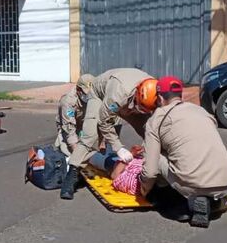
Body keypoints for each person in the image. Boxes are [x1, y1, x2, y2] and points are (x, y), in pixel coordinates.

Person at [139, 76, 227, 228]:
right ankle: (216, 201)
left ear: (159, 98)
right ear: (181, 95)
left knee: (156, 157)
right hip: (225, 182)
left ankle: (182, 199)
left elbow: (150, 171)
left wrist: (144, 190)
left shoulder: (157, 119)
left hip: (191, 184)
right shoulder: (201, 111)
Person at [60, 67, 157, 200]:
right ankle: (71, 176)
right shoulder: (118, 95)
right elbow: (104, 122)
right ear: (136, 94)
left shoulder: (155, 93)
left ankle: (158, 174)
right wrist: (119, 148)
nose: (139, 110)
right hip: (99, 95)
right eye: (140, 106)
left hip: (131, 99)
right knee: (90, 137)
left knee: (151, 132)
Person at [54, 73, 94, 157]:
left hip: (83, 128)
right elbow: (69, 129)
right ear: (78, 89)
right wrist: (77, 154)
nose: (88, 95)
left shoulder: (94, 96)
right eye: (86, 93)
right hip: (68, 129)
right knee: (69, 157)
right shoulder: (68, 101)